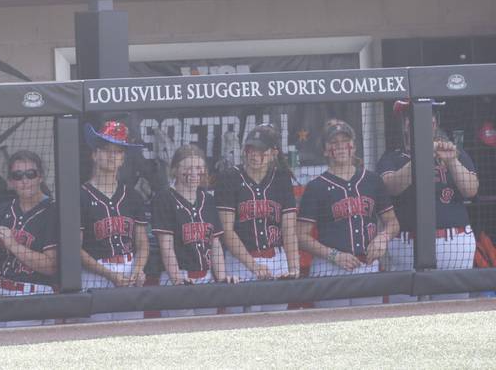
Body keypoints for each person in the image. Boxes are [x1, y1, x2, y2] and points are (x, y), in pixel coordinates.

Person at [377, 100, 479, 301]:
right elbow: (391, 187)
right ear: (404, 124)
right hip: (408, 246)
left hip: (454, 243)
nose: (424, 121)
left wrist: (451, 160)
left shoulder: (454, 152)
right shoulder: (392, 157)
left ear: (435, 121)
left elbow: (471, 190)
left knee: (455, 315)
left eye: (430, 116)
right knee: (407, 315)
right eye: (410, 118)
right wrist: (422, 153)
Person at [297, 120, 399, 307]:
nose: (341, 147)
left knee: (370, 326)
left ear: (353, 146)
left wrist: (382, 238)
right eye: (334, 143)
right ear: (326, 150)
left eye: (345, 141)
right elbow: (301, 236)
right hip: (329, 268)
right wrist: (333, 255)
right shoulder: (316, 186)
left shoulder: (372, 180)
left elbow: (392, 222)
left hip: (366, 266)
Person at [214, 124, 299, 312]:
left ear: (273, 153)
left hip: (276, 260)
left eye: (261, 150)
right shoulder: (230, 177)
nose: (254, 155)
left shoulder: (282, 179)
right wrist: (254, 266)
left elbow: (289, 229)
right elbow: (227, 231)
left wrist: (294, 269)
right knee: (239, 326)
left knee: (278, 325)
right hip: (240, 263)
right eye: (250, 149)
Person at [79, 120, 149, 321]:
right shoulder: (80, 196)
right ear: (94, 154)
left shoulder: (133, 196)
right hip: (95, 275)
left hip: (128, 271)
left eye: (117, 151)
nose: (112, 155)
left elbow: (142, 243)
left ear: (123, 159)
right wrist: (110, 275)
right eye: (106, 149)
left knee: (133, 338)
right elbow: (75, 249)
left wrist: (137, 269)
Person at [0, 150, 59, 328]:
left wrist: (13, 245)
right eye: (18, 175)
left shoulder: (53, 211)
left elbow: (51, 266)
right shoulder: (2, 210)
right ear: (10, 182)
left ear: (40, 177)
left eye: (30, 174)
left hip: (31, 295)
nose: (25, 181)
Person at [151, 144, 228, 317]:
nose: (194, 173)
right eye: (188, 168)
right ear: (176, 170)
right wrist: (177, 279)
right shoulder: (164, 198)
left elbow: (215, 244)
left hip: (207, 279)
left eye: (199, 168)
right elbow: (166, 246)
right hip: (178, 277)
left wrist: (222, 278)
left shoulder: (207, 200)